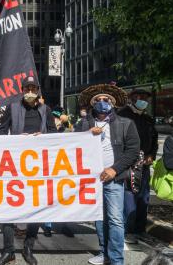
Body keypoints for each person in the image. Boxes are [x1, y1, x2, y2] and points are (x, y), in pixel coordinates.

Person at [0, 76, 57, 265]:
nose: (30, 91)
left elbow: (54, 134)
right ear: (22, 90)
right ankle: (8, 250)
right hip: (14, 164)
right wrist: (15, 139)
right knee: (8, 207)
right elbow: (1, 132)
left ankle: (28, 248)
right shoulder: (12, 108)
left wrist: (42, 136)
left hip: (38, 166)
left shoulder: (46, 110)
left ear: (37, 90)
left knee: (35, 208)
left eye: (33, 88)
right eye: (27, 87)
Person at [75, 84, 140, 265]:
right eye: (98, 100)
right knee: (98, 217)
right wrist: (87, 135)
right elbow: (72, 146)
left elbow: (133, 151)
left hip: (113, 179)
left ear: (113, 103)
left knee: (115, 219)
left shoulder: (126, 124)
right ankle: (104, 254)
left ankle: (116, 259)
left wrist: (114, 169)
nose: (102, 103)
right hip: (92, 180)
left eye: (106, 100)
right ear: (92, 104)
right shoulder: (83, 124)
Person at [117, 89, 158, 244]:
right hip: (128, 164)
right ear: (131, 99)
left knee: (143, 197)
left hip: (144, 164)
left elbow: (154, 139)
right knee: (129, 197)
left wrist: (151, 155)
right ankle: (128, 230)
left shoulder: (148, 118)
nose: (142, 100)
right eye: (138, 97)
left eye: (145, 98)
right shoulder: (122, 116)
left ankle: (140, 229)